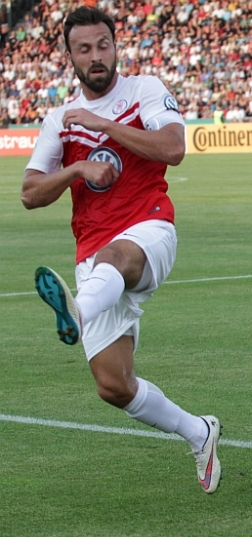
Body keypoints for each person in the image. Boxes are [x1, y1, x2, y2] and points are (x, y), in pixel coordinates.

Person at [21, 7, 222, 491]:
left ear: (116, 46)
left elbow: (173, 148)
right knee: (114, 385)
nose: (96, 56)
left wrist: (103, 125)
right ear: (70, 56)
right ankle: (200, 432)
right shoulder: (60, 119)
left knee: (115, 257)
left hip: (149, 230)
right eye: (84, 49)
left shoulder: (143, 89)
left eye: (103, 45)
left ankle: (78, 313)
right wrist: (75, 169)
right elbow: (29, 193)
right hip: (93, 256)